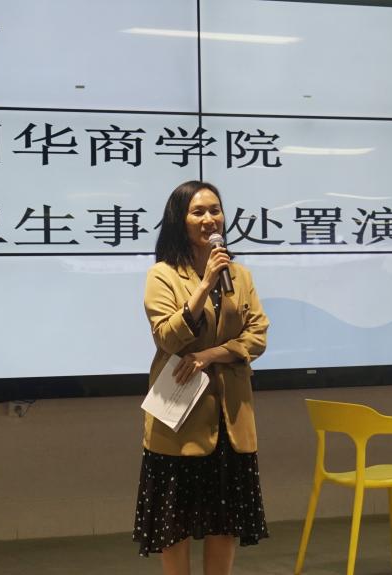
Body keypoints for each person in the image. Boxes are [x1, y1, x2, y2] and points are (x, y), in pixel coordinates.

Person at [133, 180, 270, 575]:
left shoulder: (239, 275)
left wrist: (210, 355)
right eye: (198, 212)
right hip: (179, 421)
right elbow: (167, 337)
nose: (210, 219)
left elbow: (257, 336)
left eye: (215, 210)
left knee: (225, 522)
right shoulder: (162, 275)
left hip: (231, 418)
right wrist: (206, 283)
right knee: (174, 523)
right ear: (180, 220)